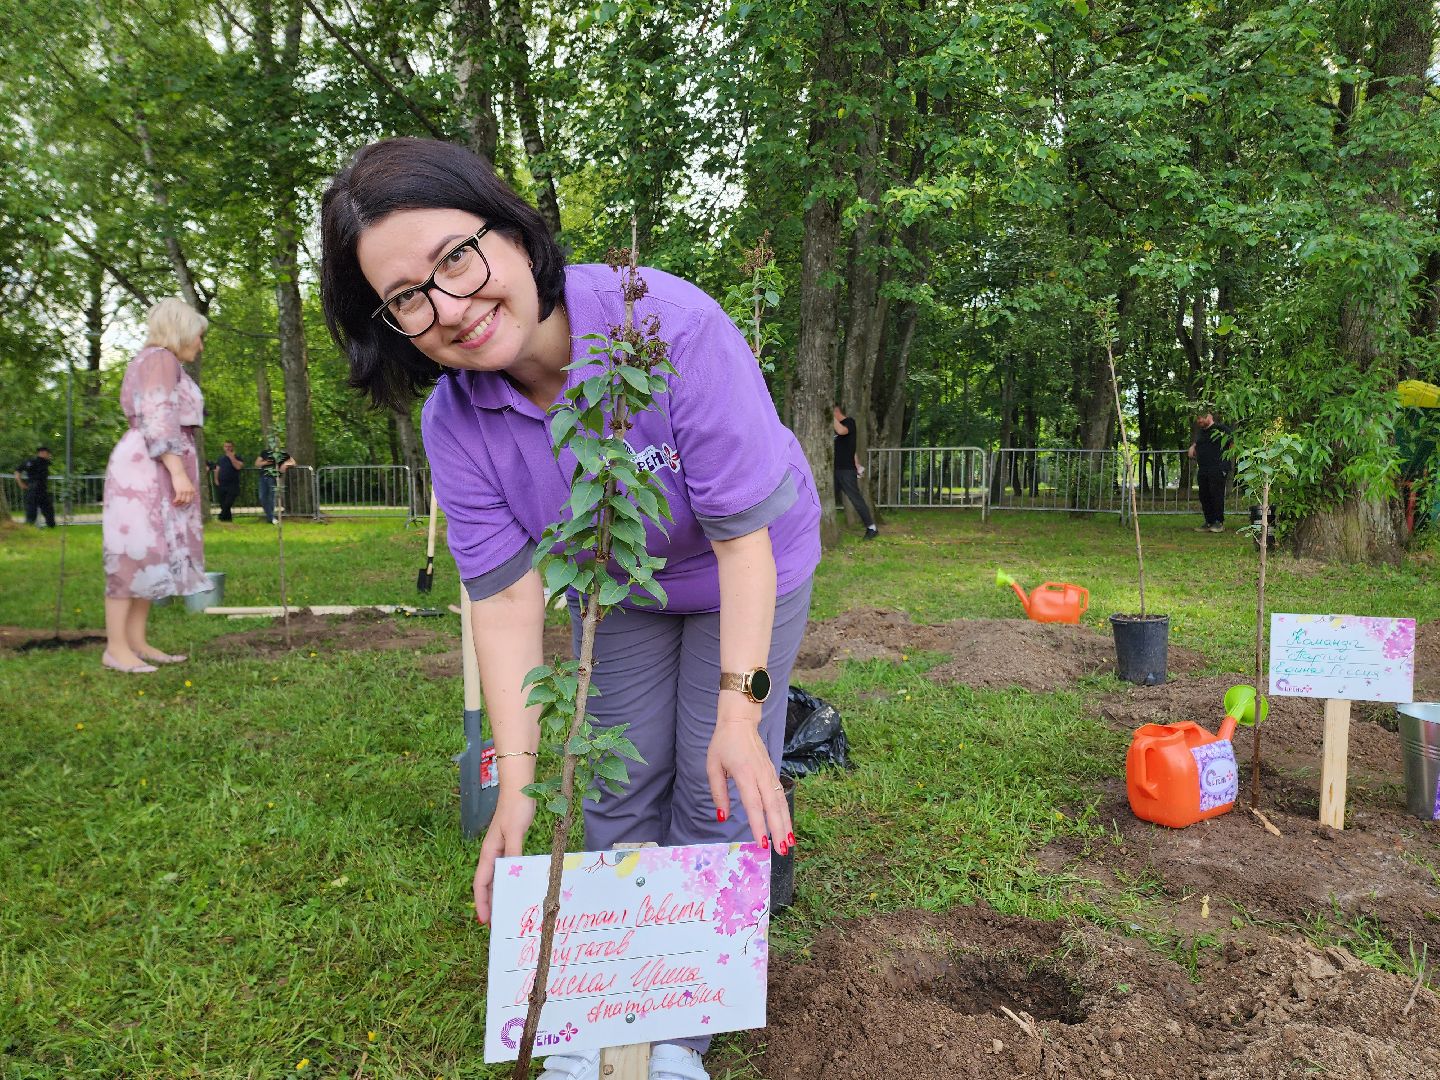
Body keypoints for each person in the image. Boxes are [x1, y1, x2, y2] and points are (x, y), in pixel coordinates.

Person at [320, 137, 821, 1080]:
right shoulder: (453, 424)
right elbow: (506, 601)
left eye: (455, 259)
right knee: (614, 778)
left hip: (748, 564)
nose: (449, 309)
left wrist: (744, 714)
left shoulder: (668, 325)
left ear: (511, 231)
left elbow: (742, 541)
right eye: (406, 299)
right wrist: (514, 778)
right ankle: (602, 1010)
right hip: (619, 585)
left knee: (712, 778)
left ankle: (674, 1033)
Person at [101, 297, 209, 673]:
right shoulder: (160, 359)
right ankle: (116, 649)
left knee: (150, 556)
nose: (201, 343)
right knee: (132, 555)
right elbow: (158, 413)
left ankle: (137, 642)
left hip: (154, 463)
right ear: (181, 330)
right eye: (199, 335)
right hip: (149, 469)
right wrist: (177, 472)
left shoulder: (157, 362)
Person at [832, 405, 877, 539]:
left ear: (837, 411)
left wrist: (831, 416)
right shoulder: (837, 428)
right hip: (835, 470)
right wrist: (857, 464)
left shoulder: (849, 422)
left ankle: (871, 528)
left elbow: (841, 431)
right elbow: (852, 449)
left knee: (855, 499)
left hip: (846, 470)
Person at [1187, 409, 1232, 533]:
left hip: (1218, 468)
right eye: (1198, 419)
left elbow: (1232, 444)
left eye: (1202, 417)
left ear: (1210, 416)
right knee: (1204, 495)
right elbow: (1198, 444)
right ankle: (1209, 522)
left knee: (1216, 494)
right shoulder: (1201, 433)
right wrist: (1193, 446)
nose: (1199, 421)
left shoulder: (1222, 429)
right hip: (1203, 469)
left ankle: (1218, 522)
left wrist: (1225, 463)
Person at [254, 439, 295, 524]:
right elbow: (257, 463)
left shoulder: (282, 454)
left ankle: (271, 518)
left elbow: (293, 462)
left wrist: (285, 464)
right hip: (263, 477)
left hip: (273, 478)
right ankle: (271, 517)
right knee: (262, 497)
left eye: (276, 443)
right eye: (273, 443)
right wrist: (266, 462)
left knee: (271, 498)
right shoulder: (265, 452)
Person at [15, 445, 55, 528]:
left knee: (48, 510)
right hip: (33, 489)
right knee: (31, 511)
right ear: (43, 453)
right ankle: (29, 528)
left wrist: (21, 483)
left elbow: (18, 471)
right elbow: (18, 470)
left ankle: (51, 526)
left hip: (42, 490)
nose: (49, 456)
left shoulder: (45, 462)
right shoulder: (32, 462)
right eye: (48, 454)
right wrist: (20, 483)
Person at [212, 440, 245, 521]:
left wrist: (231, 457)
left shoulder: (238, 457)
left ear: (233, 447)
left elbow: (238, 467)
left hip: (233, 484)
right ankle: (227, 520)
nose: (228, 448)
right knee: (223, 503)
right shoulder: (221, 458)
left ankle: (221, 516)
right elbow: (217, 469)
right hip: (222, 483)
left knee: (228, 502)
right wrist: (216, 479)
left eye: (229, 446)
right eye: (226, 446)